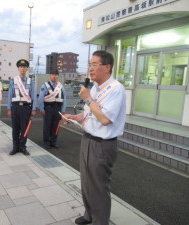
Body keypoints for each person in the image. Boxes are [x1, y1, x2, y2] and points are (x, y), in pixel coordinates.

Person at [65, 50, 126, 225]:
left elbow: (105, 119)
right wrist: (74, 118)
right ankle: (89, 215)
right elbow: (90, 115)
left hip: (102, 145)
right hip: (88, 139)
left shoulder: (116, 89)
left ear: (107, 67)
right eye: (89, 65)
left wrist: (88, 99)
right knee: (86, 181)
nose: (90, 69)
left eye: (94, 65)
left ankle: (101, 221)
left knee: (99, 186)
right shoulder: (96, 88)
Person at [7, 59, 36, 156]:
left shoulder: (30, 81)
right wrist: (9, 108)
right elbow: (10, 95)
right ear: (18, 68)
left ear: (27, 69)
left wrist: (33, 109)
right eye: (21, 67)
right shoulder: (13, 80)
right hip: (15, 107)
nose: (23, 68)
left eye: (24, 67)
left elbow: (33, 96)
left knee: (24, 128)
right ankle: (15, 147)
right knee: (15, 128)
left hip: (26, 108)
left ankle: (23, 147)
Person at [38, 69, 66, 149]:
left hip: (58, 109)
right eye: (52, 75)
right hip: (48, 109)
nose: (54, 76)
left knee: (56, 126)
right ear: (50, 76)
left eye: (56, 75)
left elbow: (64, 99)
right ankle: (46, 142)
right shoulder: (45, 85)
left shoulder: (61, 86)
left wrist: (63, 110)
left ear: (58, 76)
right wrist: (41, 109)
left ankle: (53, 141)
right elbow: (41, 98)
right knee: (47, 126)